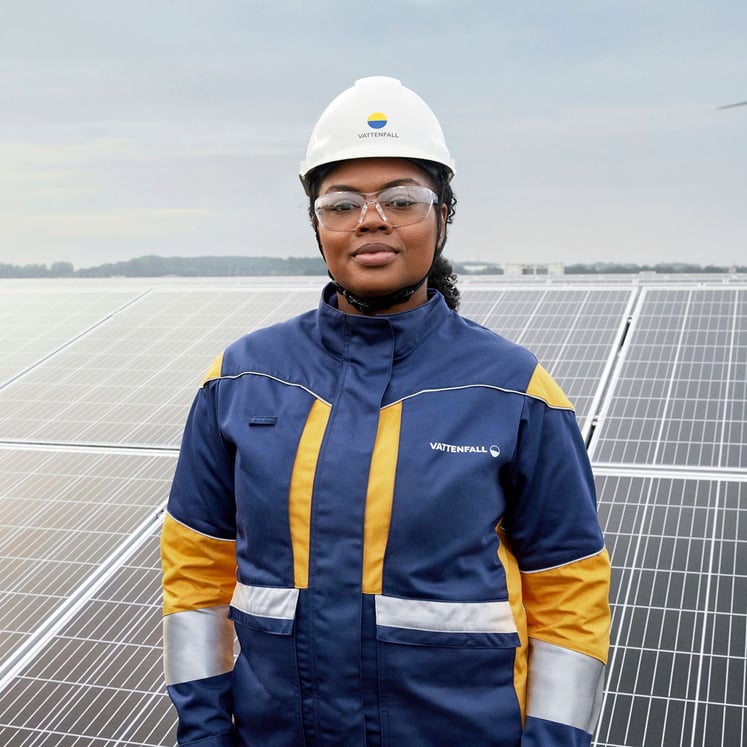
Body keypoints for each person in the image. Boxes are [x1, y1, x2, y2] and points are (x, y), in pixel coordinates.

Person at [160, 76, 611, 747]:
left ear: (443, 215)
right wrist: (202, 736)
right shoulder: (239, 379)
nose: (370, 221)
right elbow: (195, 575)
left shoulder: (516, 391)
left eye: (402, 199)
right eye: (341, 204)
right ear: (316, 225)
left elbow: (568, 591)